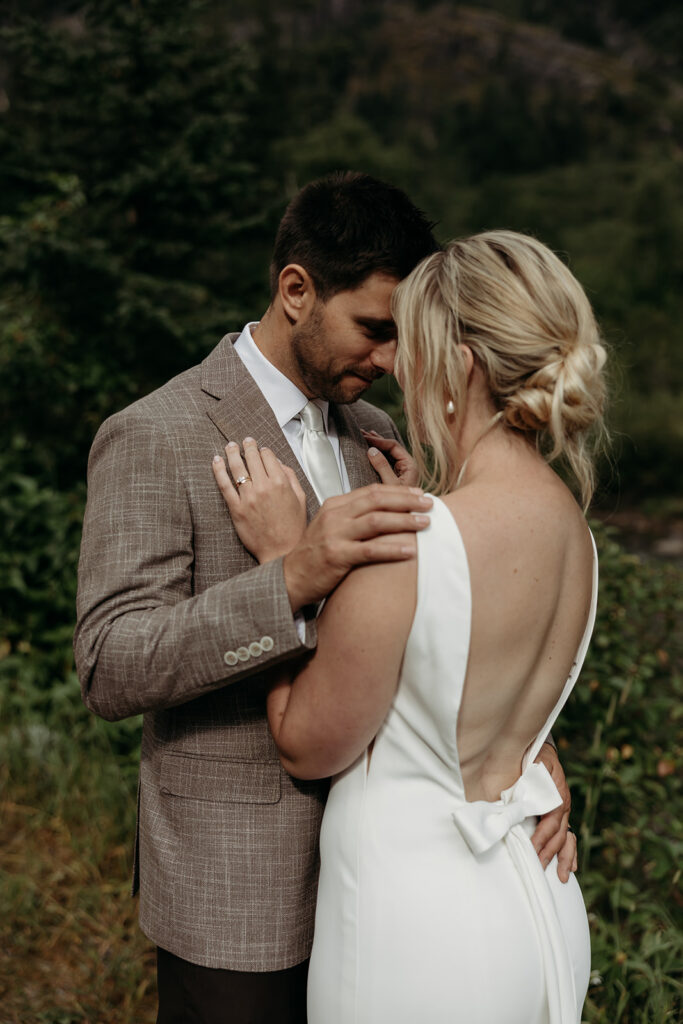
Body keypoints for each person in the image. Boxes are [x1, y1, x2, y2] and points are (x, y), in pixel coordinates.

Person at [74, 173, 572, 1024]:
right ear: (296, 290)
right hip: (236, 893)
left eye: (401, 337)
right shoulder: (155, 433)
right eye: (373, 329)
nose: (387, 361)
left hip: (393, 893)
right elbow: (110, 666)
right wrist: (289, 579)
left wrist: (525, 750)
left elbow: (450, 617)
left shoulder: (379, 437)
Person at [214, 230, 606, 1024]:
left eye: (413, 344)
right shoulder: (575, 532)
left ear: (460, 365)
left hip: (417, 933)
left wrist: (285, 563)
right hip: (534, 904)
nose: (394, 365)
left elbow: (305, 741)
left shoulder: (411, 543)